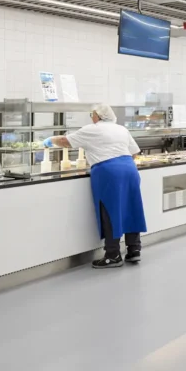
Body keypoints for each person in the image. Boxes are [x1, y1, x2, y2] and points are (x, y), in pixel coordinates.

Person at [43, 104, 145, 270]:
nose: (91, 116)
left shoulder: (92, 129)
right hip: (129, 169)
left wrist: (48, 141)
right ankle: (134, 250)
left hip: (109, 172)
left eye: (92, 114)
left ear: (97, 115)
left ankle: (113, 255)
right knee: (131, 208)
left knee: (110, 210)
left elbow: (65, 141)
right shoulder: (120, 129)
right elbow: (134, 152)